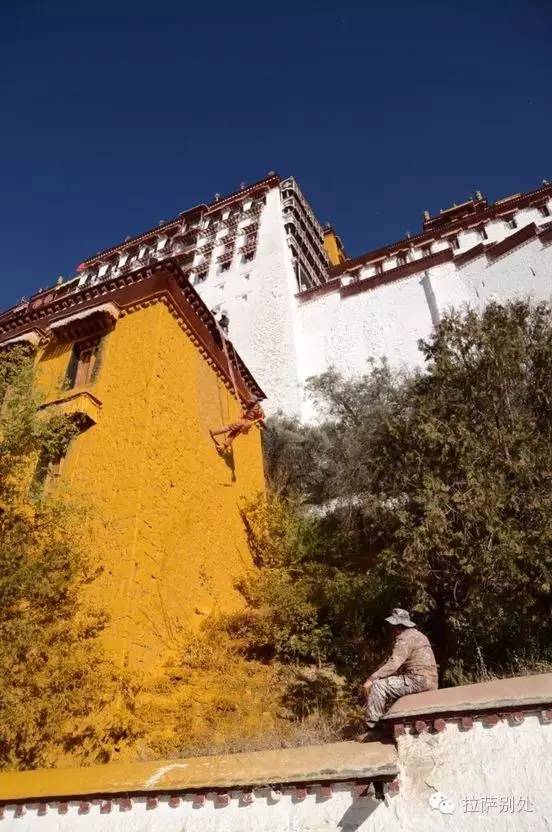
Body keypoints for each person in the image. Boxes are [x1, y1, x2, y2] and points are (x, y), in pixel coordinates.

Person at [362, 608, 438, 730]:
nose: (390, 629)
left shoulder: (404, 638)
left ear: (396, 625)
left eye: (391, 626)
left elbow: (394, 663)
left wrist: (372, 678)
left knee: (378, 686)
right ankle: (390, 724)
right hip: (431, 681)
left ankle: (373, 728)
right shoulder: (420, 635)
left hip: (417, 680)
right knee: (392, 688)